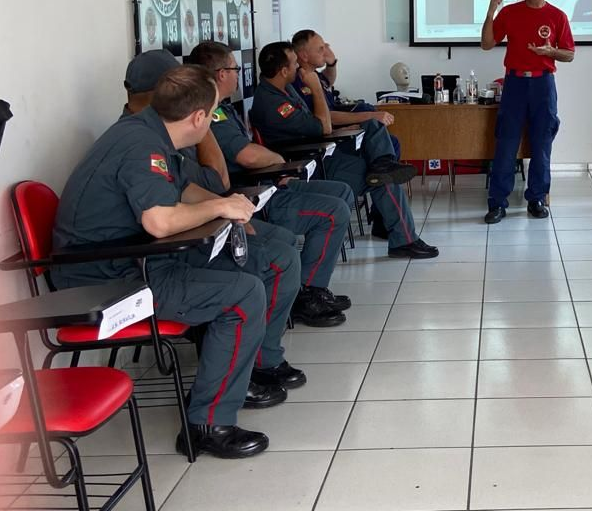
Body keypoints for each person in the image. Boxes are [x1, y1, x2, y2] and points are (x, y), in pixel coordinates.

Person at [52, 66, 306, 459]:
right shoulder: (141, 145)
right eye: (215, 111)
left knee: (266, 261)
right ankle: (207, 423)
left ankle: (244, 372)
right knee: (242, 295)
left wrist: (229, 209)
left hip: (138, 258)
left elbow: (182, 189)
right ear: (199, 118)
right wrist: (221, 205)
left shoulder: (150, 132)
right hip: (107, 276)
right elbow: (159, 221)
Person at [188, 41, 355, 326]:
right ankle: (308, 296)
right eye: (233, 69)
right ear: (220, 75)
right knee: (332, 211)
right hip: (251, 195)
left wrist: (277, 168)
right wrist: (278, 162)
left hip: (267, 181)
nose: (238, 74)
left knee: (342, 191)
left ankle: (309, 288)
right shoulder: (210, 116)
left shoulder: (222, 109)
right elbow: (248, 157)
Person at [249, 41, 438, 259]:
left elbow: (319, 122)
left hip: (321, 152)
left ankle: (384, 165)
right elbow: (323, 125)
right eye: (293, 64)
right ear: (283, 71)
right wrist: (317, 88)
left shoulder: (283, 89)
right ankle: (404, 239)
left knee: (373, 130)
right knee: (383, 177)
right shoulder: (273, 102)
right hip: (308, 166)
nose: (298, 68)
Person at [480, 0, 575, 224]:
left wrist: (550, 52)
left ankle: (537, 198)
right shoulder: (510, 13)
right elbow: (487, 44)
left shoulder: (557, 16)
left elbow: (569, 54)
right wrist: (491, 12)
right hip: (515, 84)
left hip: (543, 84)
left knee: (542, 143)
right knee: (506, 143)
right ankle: (497, 203)